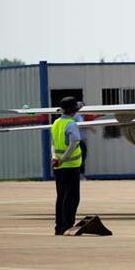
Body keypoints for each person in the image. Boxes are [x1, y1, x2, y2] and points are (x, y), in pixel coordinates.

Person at [51, 96, 83, 235]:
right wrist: (63, 159)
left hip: (58, 166)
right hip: (70, 166)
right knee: (72, 198)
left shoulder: (56, 122)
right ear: (73, 110)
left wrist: (55, 158)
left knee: (61, 197)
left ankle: (59, 227)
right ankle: (67, 226)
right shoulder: (71, 124)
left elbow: (53, 143)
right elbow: (74, 143)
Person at [74, 101, 88, 176]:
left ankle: (80, 174)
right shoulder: (78, 116)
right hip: (79, 140)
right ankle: (80, 174)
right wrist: (90, 127)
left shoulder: (80, 116)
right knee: (81, 156)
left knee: (82, 156)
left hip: (81, 139)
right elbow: (81, 125)